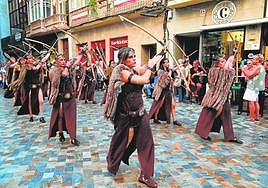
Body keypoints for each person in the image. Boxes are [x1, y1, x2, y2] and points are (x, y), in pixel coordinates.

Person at [104, 47, 163, 188]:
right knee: (121, 141)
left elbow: (144, 67)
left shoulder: (133, 69)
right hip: (125, 116)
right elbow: (144, 79)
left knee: (147, 143)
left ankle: (145, 175)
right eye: (130, 57)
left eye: (134, 56)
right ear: (123, 59)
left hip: (141, 113)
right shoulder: (121, 71)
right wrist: (150, 66)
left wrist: (159, 55)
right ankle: (112, 159)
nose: (134, 58)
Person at [195, 56, 243, 144]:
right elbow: (228, 77)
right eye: (222, 61)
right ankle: (203, 131)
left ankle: (229, 136)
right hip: (216, 95)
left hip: (220, 95)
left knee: (225, 114)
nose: (224, 62)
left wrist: (230, 63)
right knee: (211, 113)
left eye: (224, 61)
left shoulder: (218, 70)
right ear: (217, 63)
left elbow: (228, 79)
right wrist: (230, 65)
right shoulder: (216, 71)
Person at [48, 54, 80, 146]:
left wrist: (81, 53)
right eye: (61, 60)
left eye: (64, 60)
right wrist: (66, 66)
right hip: (60, 97)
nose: (63, 61)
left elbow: (76, 61)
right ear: (57, 62)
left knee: (71, 117)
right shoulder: (54, 70)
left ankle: (72, 137)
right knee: (60, 116)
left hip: (70, 97)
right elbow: (63, 75)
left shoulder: (69, 69)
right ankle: (61, 133)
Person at [11, 54, 46, 123]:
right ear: (27, 60)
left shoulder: (36, 65)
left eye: (32, 58)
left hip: (37, 86)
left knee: (41, 101)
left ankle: (41, 116)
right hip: (29, 87)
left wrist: (43, 60)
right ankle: (31, 116)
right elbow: (32, 69)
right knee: (30, 102)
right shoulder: (25, 67)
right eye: (30, 58)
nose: (32, 59)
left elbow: (38, 67)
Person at [148, 58, 182, 126]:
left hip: (168, 90)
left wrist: (178, 67)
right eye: (166, 62)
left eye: (168, 62)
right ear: (163, 63)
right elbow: (165, 81)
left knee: (173, 104)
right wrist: (170, 72)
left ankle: (175, 120)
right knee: (159, 105)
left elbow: (174, 77)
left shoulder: (169, 70)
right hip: (161, 90)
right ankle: (155, 117)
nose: (167, 64)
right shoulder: (160, 71)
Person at [242, 57, 261, 121]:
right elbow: (246, 78)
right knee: (255, 101)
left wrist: (243, 69)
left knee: (251, 102)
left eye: (254, 59)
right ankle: (257, 116)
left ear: (258, 60)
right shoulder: (257, 67)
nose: (252, 60)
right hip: (255, 86)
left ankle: (252, 117)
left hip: (252, 87)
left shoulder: (257, 67)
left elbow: (249, 75)